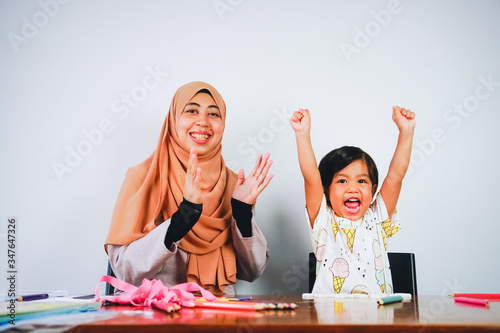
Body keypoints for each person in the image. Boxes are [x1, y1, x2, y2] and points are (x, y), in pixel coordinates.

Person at [105, 81, 273, 296]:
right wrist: (182, 217)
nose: (203, 122)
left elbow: (252, 271)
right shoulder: (143, 177)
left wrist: (241, 213)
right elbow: (124, 270)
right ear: (174, 119)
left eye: (214, 114)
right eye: (192, 110)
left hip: (221, 316)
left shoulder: (234, 184)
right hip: (158, 315)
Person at [290, 106, 415, 295]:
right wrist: (302, 134)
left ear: (373, 190)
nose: (353, 188)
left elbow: (396, 176)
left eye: (362, 181)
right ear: (326, 190)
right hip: (329, 317)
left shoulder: (377, 218)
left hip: (378, 317)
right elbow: (311, 178)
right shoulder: (323, 220)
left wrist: (406, 132)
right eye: (342, 180)